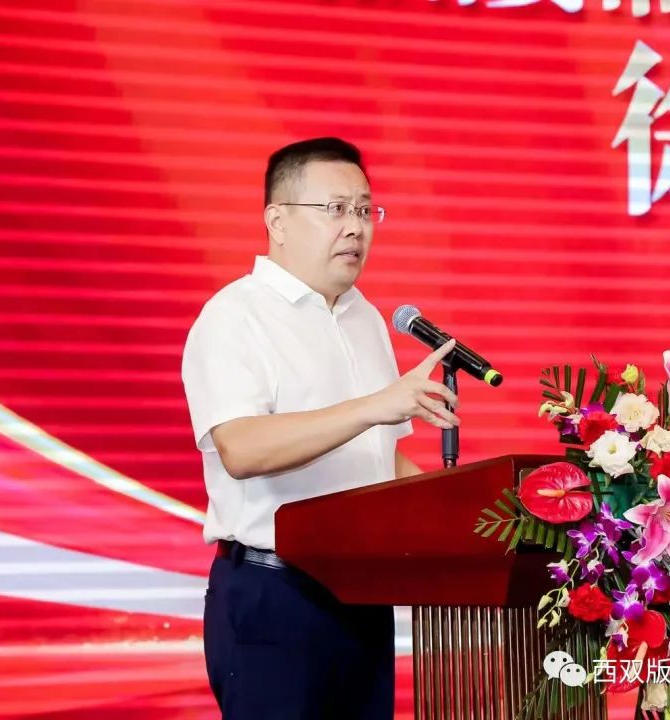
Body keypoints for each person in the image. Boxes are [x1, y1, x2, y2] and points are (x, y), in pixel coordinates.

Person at [181, 137, 460, 719]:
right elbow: (242, 448)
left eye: (365, 209)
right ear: (277, 221)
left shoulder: (365, 318)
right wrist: (371, 406)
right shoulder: (235, 316)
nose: (355, 227)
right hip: (274, 597)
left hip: (363, 596)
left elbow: (381, 461)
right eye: (335, 209)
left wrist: (464, 514)